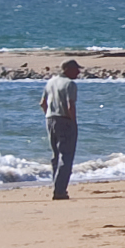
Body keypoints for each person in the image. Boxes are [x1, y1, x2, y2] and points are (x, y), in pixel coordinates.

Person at [42, 58, 83, 200]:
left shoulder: (50, 82)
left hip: (50, 119)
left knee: (55, 156)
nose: (78, 72)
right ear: (67, 70)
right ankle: (60, 190)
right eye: (76, 69)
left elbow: (43, 104)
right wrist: (73, 122)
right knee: (66, 155)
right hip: (64, 120)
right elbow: (70, 105)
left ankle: (57, 186)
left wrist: (49, 116)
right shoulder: (70, 84)